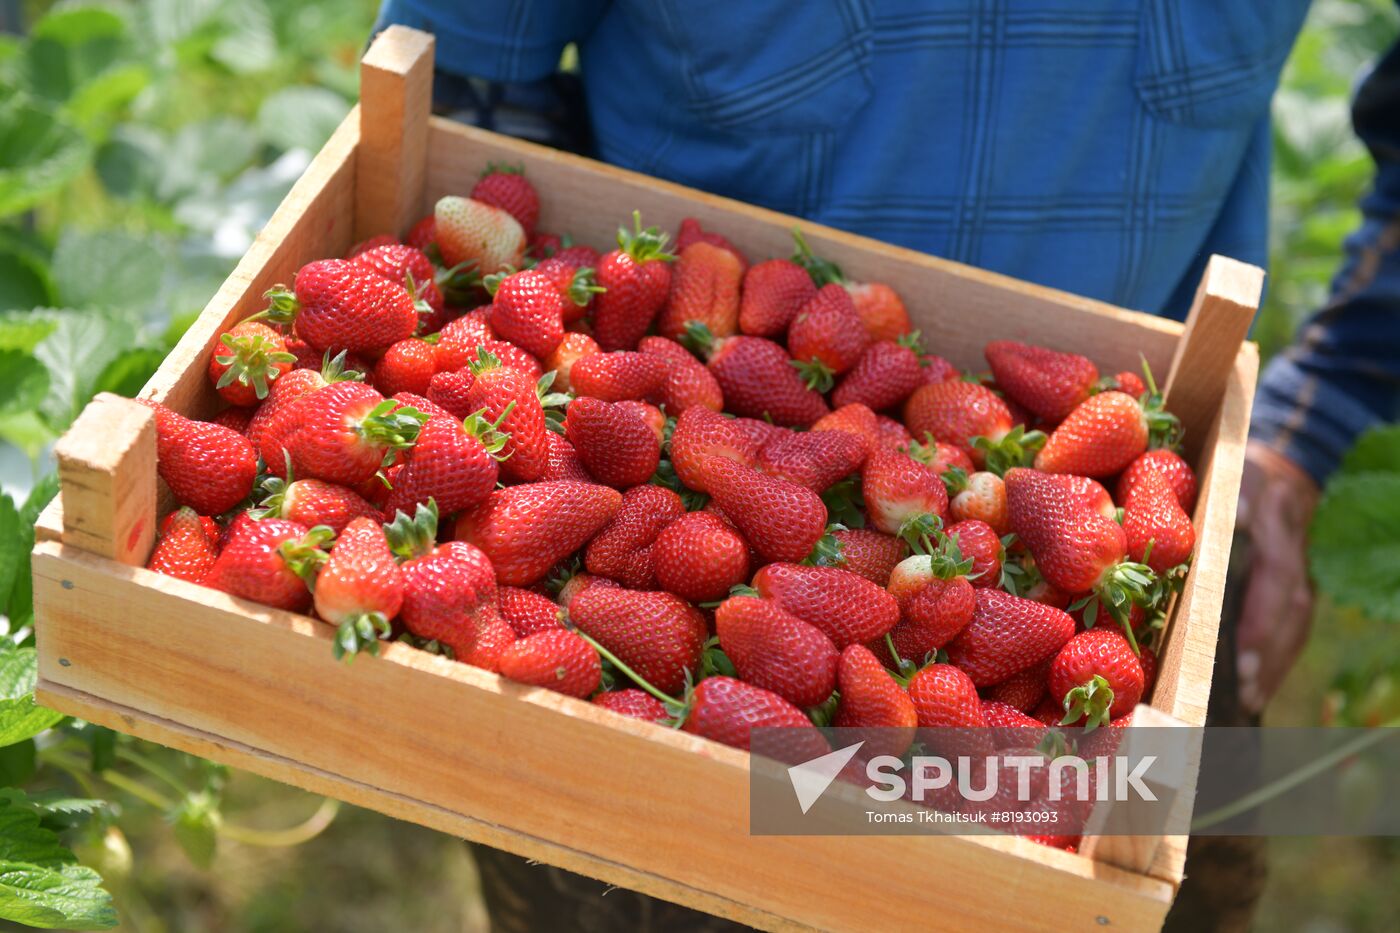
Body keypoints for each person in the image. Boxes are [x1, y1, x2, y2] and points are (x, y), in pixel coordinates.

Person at [371, 2, 1400, 930]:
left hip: (1144, 537)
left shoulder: (1108, 587)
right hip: (645, 636)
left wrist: (1308, 421)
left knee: (1113, 886)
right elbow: (472, 91)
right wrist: (545, 353)